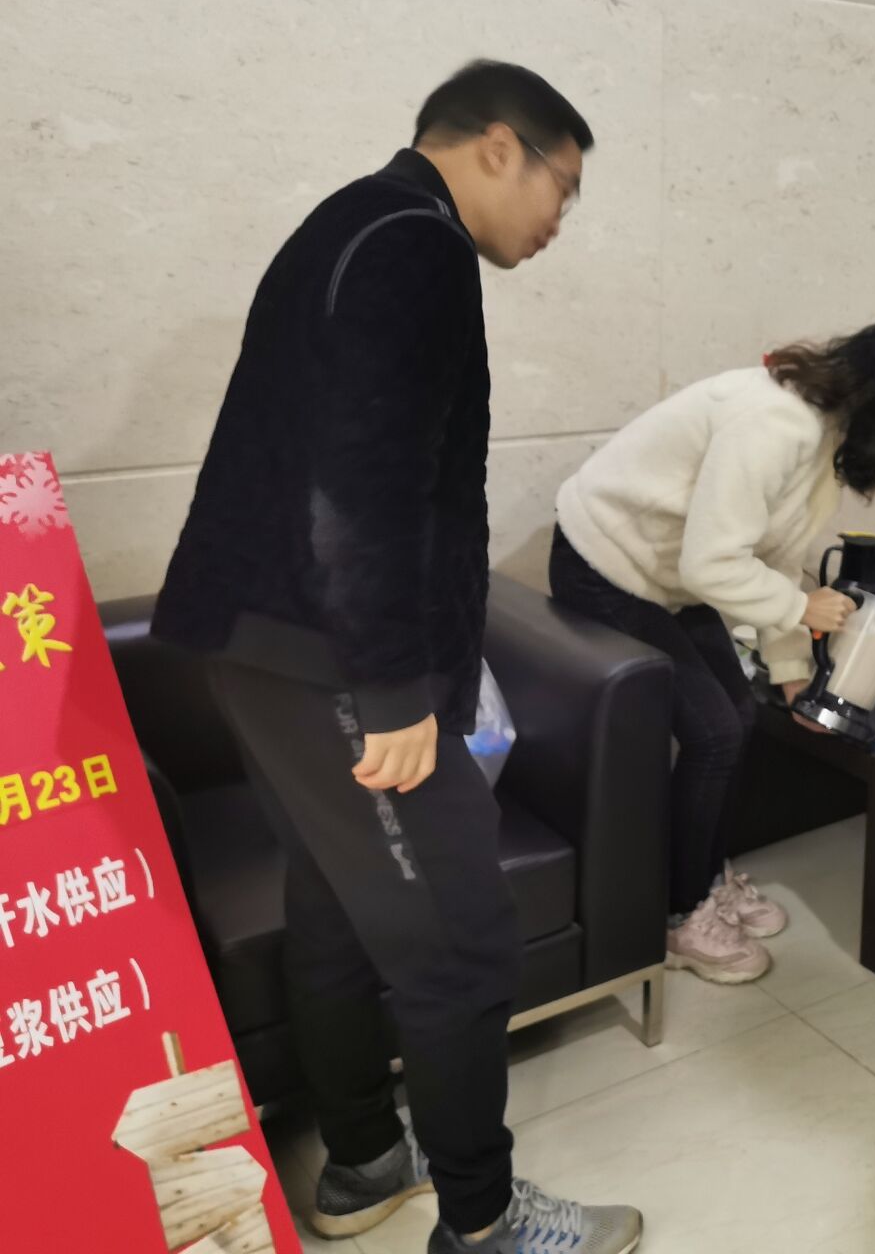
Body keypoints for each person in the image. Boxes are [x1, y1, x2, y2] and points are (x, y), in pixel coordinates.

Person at [153, 62, 643, 1254]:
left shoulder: (353, 224)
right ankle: (483, 1223)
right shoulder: (413, 245)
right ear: (497, 146)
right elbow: (362, 485)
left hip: (263, 642)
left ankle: (365, 1160)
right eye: (563, 187)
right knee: (462, 939)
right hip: (328, 657)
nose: (560, 219)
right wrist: (388, 690)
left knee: (331, 905)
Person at [548, 321, 875, 983]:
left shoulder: (822, 435)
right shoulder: (775, 424)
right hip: (606, 562)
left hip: (671, 575)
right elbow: (714, 563)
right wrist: (801, 609)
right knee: (714, 732)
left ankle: (704, 882)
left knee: (739, 718)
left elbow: (773, 557)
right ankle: (681, 914)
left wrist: (795, 674)